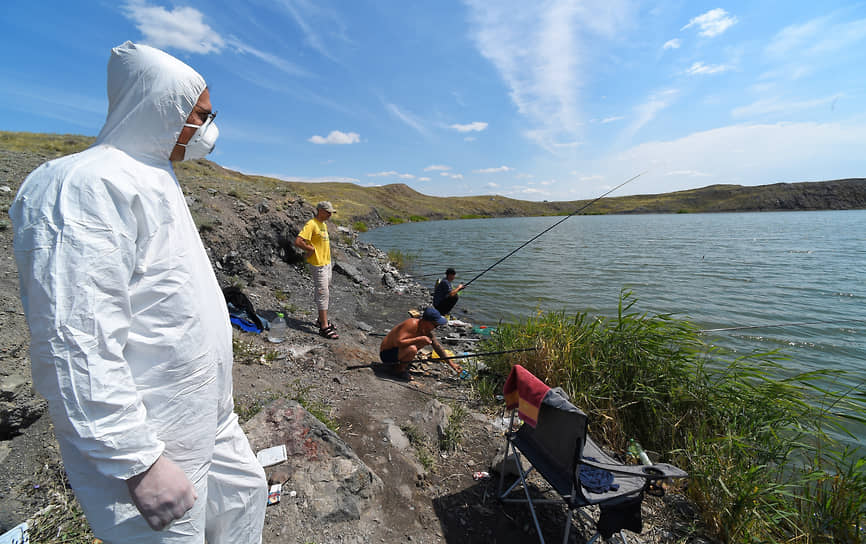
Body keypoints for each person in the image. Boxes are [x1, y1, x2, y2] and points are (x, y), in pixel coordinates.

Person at [9, 42, 266, 543]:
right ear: (161, 106)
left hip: (208, 415)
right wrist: (137, 461)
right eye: (202, 115)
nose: (208, 129)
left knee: (244, 497)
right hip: (155, 435)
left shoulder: (155, 175)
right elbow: (73, 340)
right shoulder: (80, 185)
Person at [294, 201, 338, 339]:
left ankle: (321, 320)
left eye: (331, 212)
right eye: (328, 212)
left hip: (326, 263)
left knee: (325, 291)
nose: (330, 214)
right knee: (323, 293)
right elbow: (299, 241)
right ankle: (324, 327)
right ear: (319, 210)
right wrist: (310, 249)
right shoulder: (311, 224)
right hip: (318, 264)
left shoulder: (323, 225)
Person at [379, 307, 461, 380]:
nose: (435, 328)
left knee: (422, 342)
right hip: (386, 354)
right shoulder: (411, 324)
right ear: (426, 322)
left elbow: (438, 348)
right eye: (435, 325)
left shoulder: (427, 332)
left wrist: (452, 364)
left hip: (397, 353)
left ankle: (399, 365)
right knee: (413, 348)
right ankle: (398, 371)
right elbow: (399, 342)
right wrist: (419, 338)